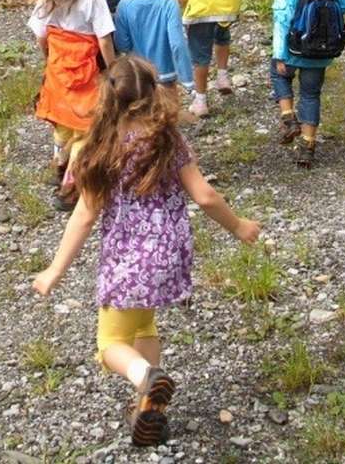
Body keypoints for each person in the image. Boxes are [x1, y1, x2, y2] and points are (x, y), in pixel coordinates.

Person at [32, 55, 261, 446]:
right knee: (142, 325)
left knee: (109, 346)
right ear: (154, 94)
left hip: (127, 260)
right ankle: (150, 407)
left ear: (107, 98)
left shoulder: (96, 146)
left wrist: (54, 270)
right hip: (168, 253)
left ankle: (145, 378)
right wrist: (239, 226)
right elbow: (204, 196)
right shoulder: (168, 140)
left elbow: (84, 216)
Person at [29, 0, 116, 209]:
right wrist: (113, 70)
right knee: (86, 127)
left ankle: (59, 163)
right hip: (85, 69)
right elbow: (104, 40)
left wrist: (49, 58)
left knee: (61, 119)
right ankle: (70, 187)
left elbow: (41, 36)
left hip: (57, 66)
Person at [271, 0, 345, 168]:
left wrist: (279, 54)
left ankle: (288, 118)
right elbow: (344, 7)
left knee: (278, 74)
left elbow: (282, 19)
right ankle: (307, 145)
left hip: (294, 46)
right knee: (311, 93)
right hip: (321, 49)